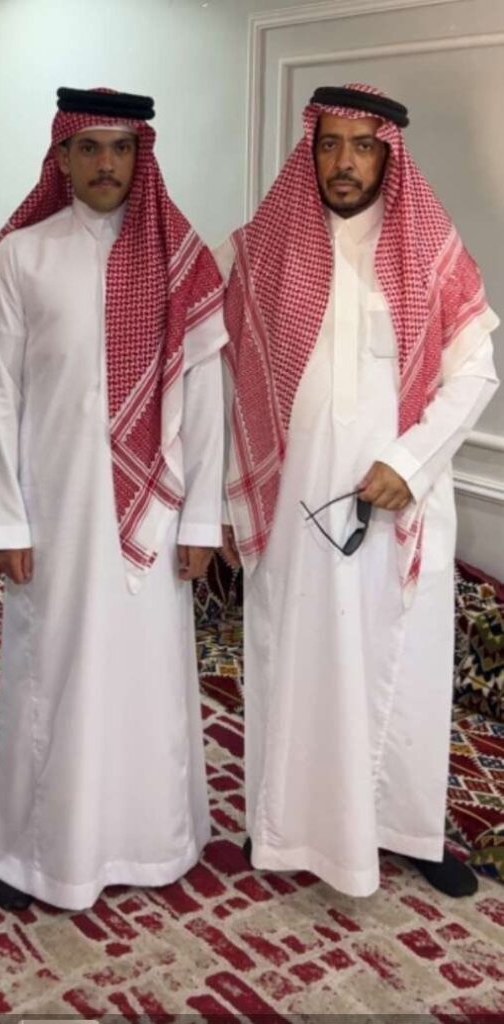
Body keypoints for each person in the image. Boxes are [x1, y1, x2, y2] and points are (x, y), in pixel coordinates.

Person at [217, 84, 499, 898]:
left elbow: (475, 373)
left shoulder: (431, 250)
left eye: (363, 146)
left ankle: (408, 832)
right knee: (290, 660)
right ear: (311, 148)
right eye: (330, 144)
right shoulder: (263, 249)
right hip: (294, 504)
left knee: (400, 670)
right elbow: (224, 377)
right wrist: (227, 500)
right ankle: (281, 823)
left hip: (399, 509)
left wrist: (409, 463)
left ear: (388, 155)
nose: (344, 162)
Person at [0, 87, 227, 911]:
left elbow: (206, 397)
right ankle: (38, 856)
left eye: (121, 148)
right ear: (63, 157)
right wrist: (5, 518)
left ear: (140, 155)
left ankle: (153, 845)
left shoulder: (184, 258)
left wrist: (203, 517)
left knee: (147, 680)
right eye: (89, 148)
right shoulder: (23, 256)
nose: (106, 164)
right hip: (55, 511)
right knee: (52, 673)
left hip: (157, 513)